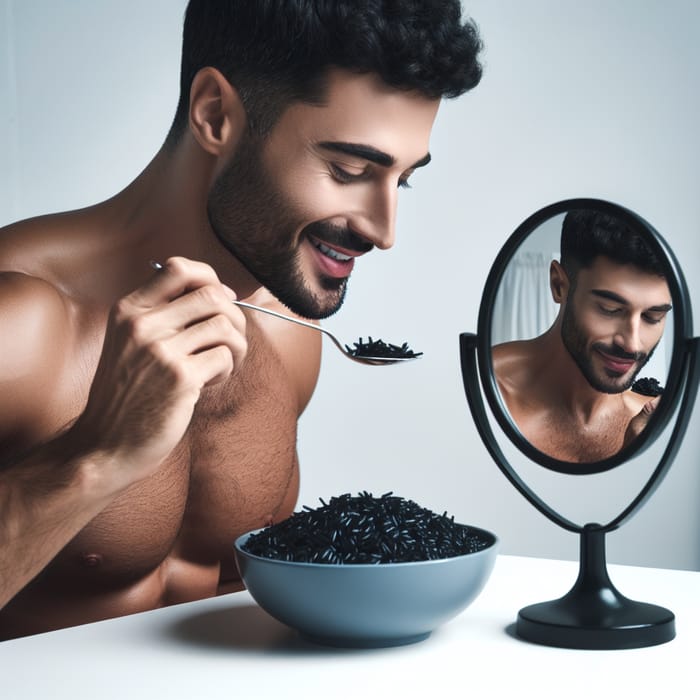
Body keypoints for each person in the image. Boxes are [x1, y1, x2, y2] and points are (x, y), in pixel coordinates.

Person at [0, 1, 483, 639]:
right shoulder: (23, 325)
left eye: (403, 181)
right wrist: (98, 454)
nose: (384, 231)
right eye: (350, 170)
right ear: (215, 115)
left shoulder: (288, 335)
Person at [492, 209, 672, 464]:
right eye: (610, 310)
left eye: (653, 317)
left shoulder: (652, 420)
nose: (632, 343)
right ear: (559, 285)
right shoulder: (479, 385)